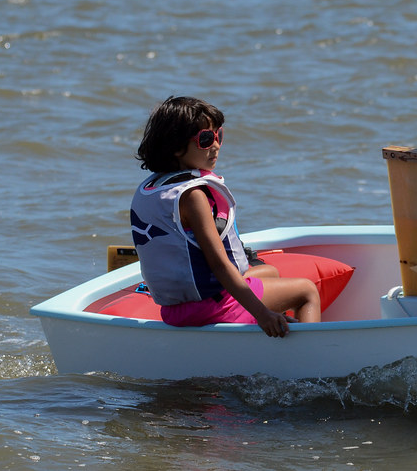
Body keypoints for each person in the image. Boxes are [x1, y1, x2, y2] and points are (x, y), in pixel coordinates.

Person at [131, 96, 320, 337]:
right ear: (176, 147)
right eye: (205, 139)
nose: (216, 145)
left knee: (269, 273)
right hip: (210, 307)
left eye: (218, 135)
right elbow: (219, 265)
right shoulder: (193, 197)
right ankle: (310, 362)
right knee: (306, 291)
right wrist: (262, 314)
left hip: (174, 309)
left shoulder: (152, 188)